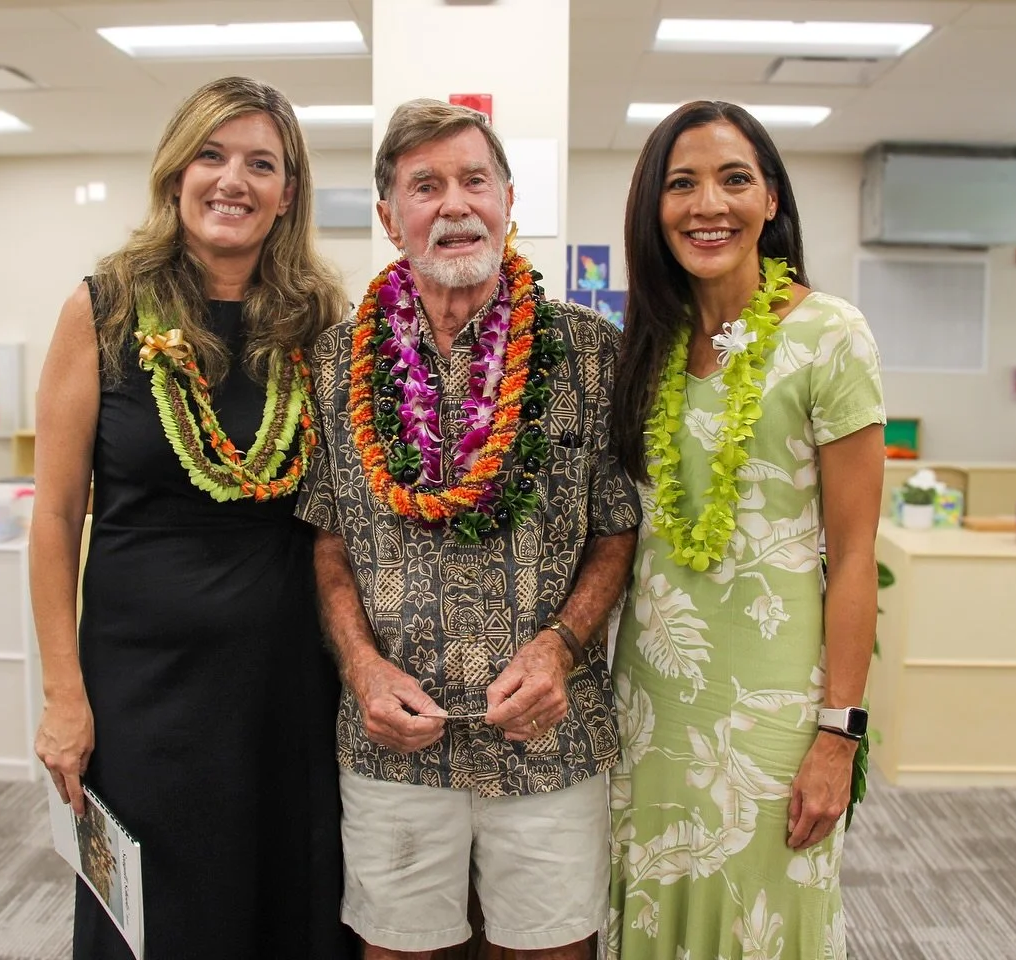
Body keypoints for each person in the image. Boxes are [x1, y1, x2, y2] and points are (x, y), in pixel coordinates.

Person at [297, 99, 641, 960]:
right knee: (400, 952)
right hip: (392, 743)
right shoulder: (335, 362)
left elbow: (616, 530)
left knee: (552, 952)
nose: (454, 204)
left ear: (509, 200)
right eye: (425, 186)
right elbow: (328, 540)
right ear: (388, 217)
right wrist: (364, 667)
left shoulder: (590, 352)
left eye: (473, 180)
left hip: (550, 741)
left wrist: (561, 645)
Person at [30, 76, 353, 958]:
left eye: (261, 163)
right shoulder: (102, 311)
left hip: (284, 684)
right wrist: (63, 696)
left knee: (282, 905)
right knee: (158, 920)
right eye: (211, 155)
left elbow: (345, 514)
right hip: (142, 689)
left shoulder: (321, 323)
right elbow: (56, 517)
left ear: (288, 192)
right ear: (176, 172)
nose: (232, 181)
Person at [606, 101, 886, 959]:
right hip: (650, 700)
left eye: (735, 180)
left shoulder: (830, 336)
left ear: (772, 201)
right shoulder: (649, 341)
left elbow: (855, 557)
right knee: (654, 901)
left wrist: (840, 735)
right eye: (681, 184)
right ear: (654, 208)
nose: (708, 205)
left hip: (774, 703)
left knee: (764, 918)